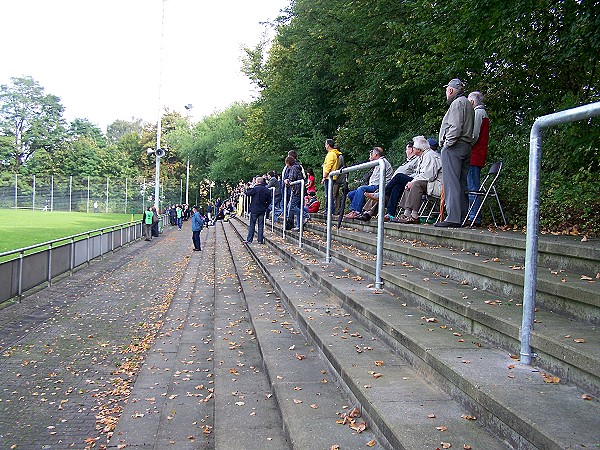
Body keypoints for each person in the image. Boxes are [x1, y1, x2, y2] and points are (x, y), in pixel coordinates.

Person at [435, 78, 475, 228]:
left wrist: (447, 145)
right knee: (461, 183)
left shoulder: (457, 103)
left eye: (446, 90)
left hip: (455, 146)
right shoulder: (469, 104)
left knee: (451, 182)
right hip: (466, 145)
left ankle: (453, 217)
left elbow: (455, 127)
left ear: (450, 90)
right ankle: (463, 217)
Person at [364, 141, 420, 221]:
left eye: (406, 149)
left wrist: (410, 180)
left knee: (398, 177)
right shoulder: (407, 161)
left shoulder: (417, 159)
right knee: (395, 188)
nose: (405, 151)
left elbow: (417, 173)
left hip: (413, 182)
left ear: (411, 149)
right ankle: (389, 214)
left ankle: (376, 199)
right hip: (399, 183)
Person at [397, 136, 443, 223]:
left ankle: (414, 215)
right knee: (410, 184)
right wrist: (411, 182)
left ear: (419, 149)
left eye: (414, 147)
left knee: (415, 184)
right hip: (430, 183)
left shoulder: (430, 156)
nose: (412, 149)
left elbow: (429, 176)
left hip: (438, 185)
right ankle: (407, 213)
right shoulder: (423, 156)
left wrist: (413, 182)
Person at [343, 147, 393, 219]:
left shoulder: (382, 162)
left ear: (376, 154)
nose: (370, 155)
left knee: (361, 189)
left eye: (371, 153)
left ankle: (356, 212)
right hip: (373, 186)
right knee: (351, 194)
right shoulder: (376, 164)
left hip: (379, 187)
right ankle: (361, 210)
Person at [466, 91, 490, 226]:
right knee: (472, 186)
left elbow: (474, 135)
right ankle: (473, 215)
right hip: (477, 155)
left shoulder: (478, 113)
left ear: (472, 102)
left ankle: (474, 216)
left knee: (472, 187)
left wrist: (465, 145)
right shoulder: (483, 114)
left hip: (474, 156)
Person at [245, 176, 272, 243]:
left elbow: (248, 193)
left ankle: (249, 239)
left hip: (254, 209)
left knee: (252, 225)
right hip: (262, 209)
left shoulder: (255, 189)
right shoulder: (267, 190)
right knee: (261, 225)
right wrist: (265, 207)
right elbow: (269, 201)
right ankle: (260, 240)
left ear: (257, 182)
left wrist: (247, 188)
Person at [321, 139, 342, 213]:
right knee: (329, 194)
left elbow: (328, 166)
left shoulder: (331, 154)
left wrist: (324, 177)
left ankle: (329, 210)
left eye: (325, 144)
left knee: (328, 194)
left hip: (329, 178)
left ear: (328, 145)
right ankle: (328, 209)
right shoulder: (333, 154)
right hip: (331, 177)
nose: (325, 146)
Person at [284, 156, 304, 230]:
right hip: (298, 190)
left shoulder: (293, 168)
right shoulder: (297, 167)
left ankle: (304, 215)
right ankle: (299, 225)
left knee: (291, 207)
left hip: (296, 190)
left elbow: (291, 179)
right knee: (294, 206)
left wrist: (286, 181)